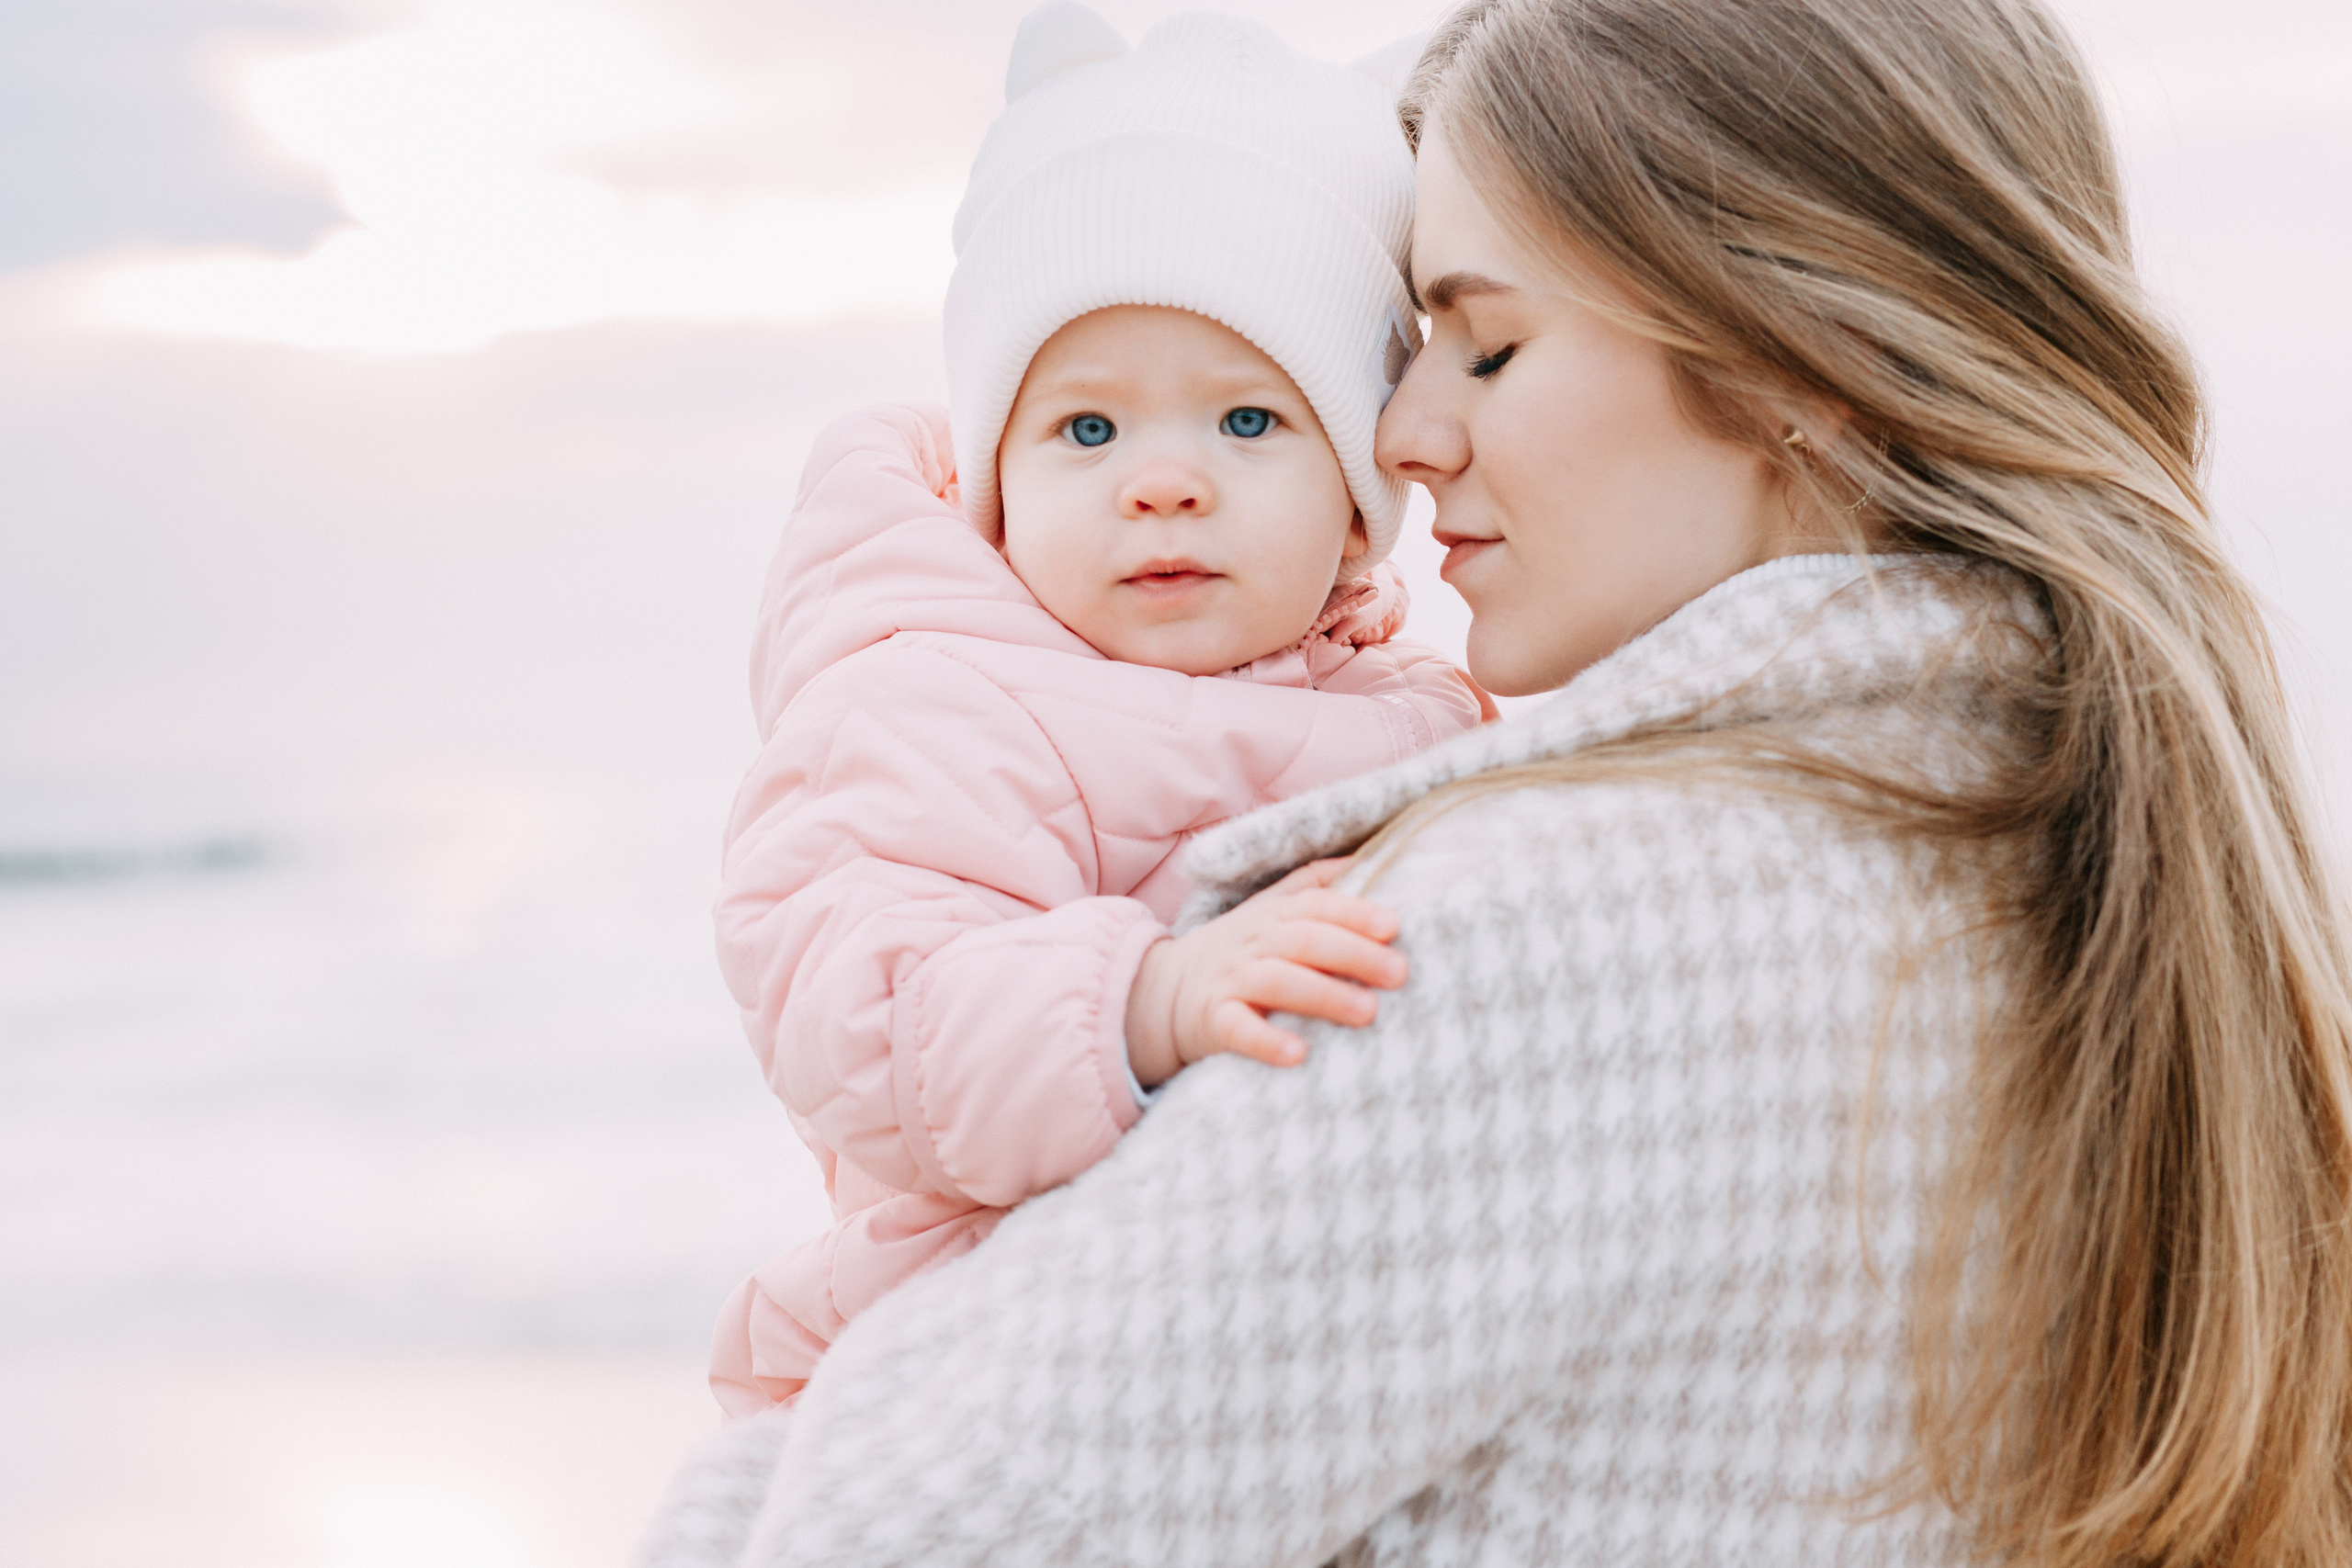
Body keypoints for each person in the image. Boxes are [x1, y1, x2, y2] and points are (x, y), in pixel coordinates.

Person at [641, 0, 2352, 1563]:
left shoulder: (1553, 931)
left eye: (1484, 345)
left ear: (1793, 371)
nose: (1400, 434)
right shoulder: (2088, 874)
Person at [703, 5, 1488, 1418]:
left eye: (1249, 422)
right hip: (971, 1357)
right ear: (995, 477)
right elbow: (860, 1010)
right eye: (1086, 428)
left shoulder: (1419, 710)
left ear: (1364, 502)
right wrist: (1141, 999)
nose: (1163, 481)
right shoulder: (935, 700)